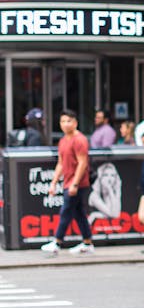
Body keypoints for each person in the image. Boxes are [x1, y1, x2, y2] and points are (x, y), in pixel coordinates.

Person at [41, 109, 95, 255]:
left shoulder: (80, 140)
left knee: (66, 211)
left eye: (69, 121)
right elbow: (60, 163)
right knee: (79, 214)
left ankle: (57, 242)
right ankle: (87, 243)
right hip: (68, 182)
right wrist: (53, 183)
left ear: (75, 123)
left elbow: (83, 163)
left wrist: (75, 184)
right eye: (63, 121)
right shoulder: (63, 140)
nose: (66, 124)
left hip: (77, 184)